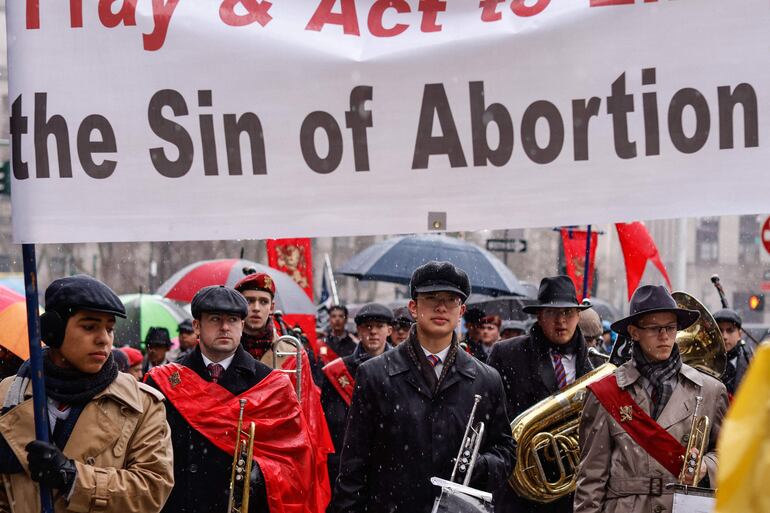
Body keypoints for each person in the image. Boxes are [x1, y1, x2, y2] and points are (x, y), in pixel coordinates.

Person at [332, 261, 515, 513]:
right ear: (413, 308)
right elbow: (353, 465)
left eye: (451, 300)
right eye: (431, 298)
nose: (441, 306)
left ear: (461, 311)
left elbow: (506, 451)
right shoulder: (374, 374)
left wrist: (478, 464)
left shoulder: (487, 379)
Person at [0, 275, 173, 513]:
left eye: (110, 328)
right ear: (53, 331)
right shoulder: (7, 396)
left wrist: (73, 479)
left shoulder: (142, 405)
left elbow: (153, 490)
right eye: (89, 327)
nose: (104, 339)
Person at [145, 285, 317, 513]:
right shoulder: (164, 381)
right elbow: (146, 456)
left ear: (242, 325)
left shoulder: (272, 385)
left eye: (233, 320)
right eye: (215, 319)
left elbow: (297, 463)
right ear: (197, 325)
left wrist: (263, 475)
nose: (225, 327)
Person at [574, 285, 728, 513]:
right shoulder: (605, 392)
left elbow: (732, 455)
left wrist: (706, 466)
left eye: (670, 327)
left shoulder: (711, 391)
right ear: (634, 332)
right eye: (654, 328)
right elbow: (591, 479)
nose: (665, 336)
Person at [487, 275, 593, 513]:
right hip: (520, 491)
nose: (561, 321)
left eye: (568, 313)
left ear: (578, 315)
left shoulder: (594, 364)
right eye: (552, 313)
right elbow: (493, 418)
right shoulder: (506, 354)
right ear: (539, 316)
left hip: (574, 493)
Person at [321, 303, 393, 490]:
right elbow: (330, 422)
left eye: (379, 326)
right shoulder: (336, 372)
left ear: (389, 330)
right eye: (367, 327)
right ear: (359, 330)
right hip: (346, 461)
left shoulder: (403, 368)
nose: (373, 332)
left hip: (390, 461)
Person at [713, 308, 754, 396]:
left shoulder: (752, 363)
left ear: (739, 334)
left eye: (730, 330)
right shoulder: (704, 364)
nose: (724, 336)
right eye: (720, 330)